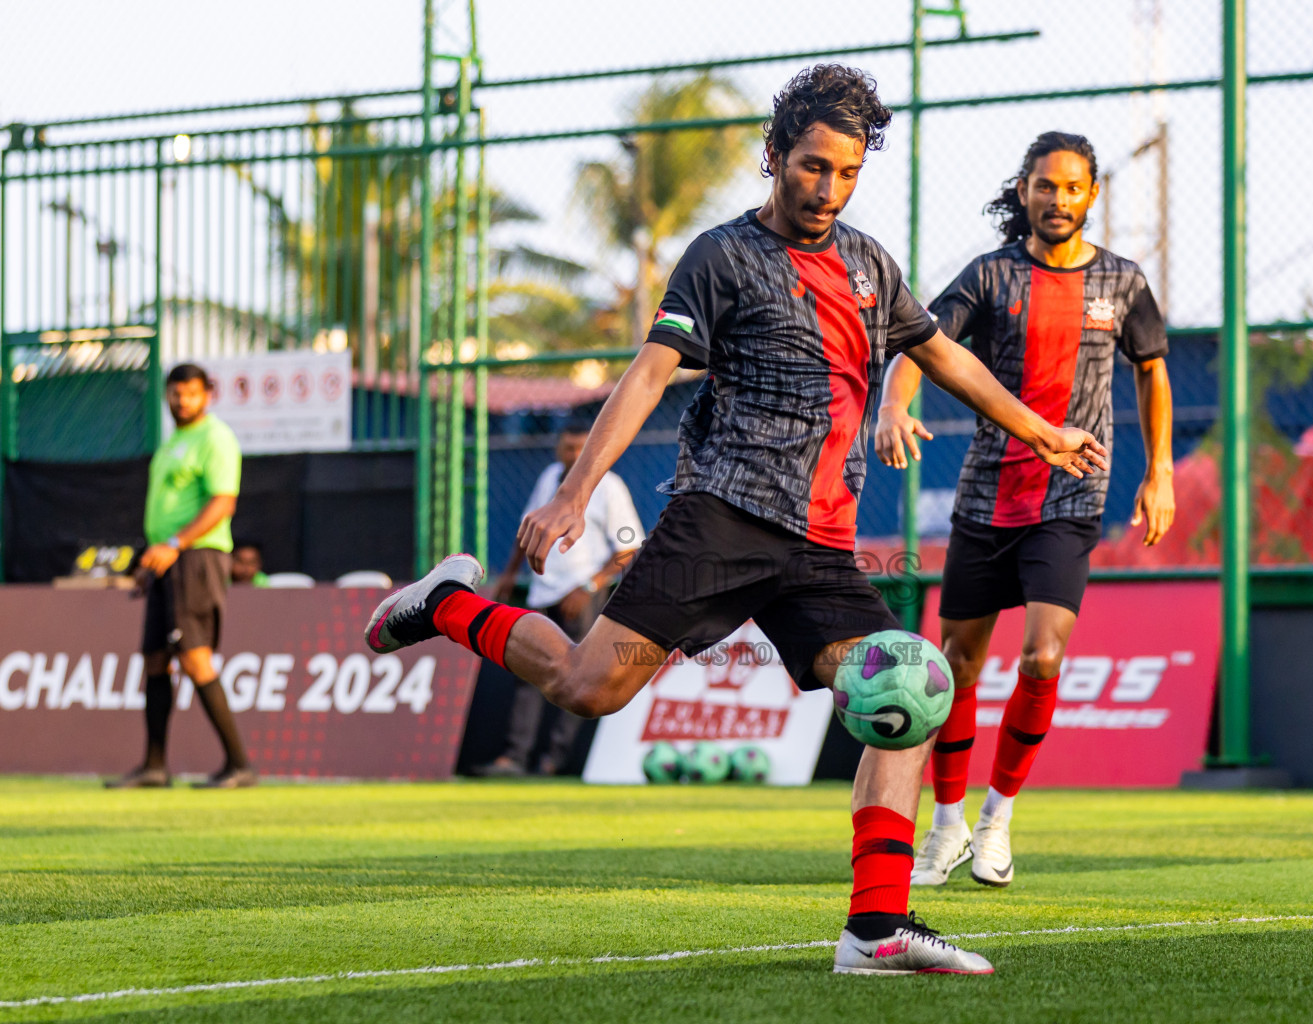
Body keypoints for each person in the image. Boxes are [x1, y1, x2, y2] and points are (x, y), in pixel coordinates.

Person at [366, 65, 1105, 975]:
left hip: (821, 548)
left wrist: (1040, 429)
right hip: (720, 519)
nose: (826, 189)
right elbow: (647, 374)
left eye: (845, 172)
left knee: (907, 694)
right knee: (586, 686)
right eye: (810, 168)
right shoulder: (720, 257)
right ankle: (446, 606)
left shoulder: (872, 264)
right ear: (774, 157)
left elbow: (943, 354)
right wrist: (576, 490)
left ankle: (875, 930)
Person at [876, 132, 1175, 888]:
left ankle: (997, 819)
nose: (1058, 199)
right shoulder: (990, 275)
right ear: (1023, 190)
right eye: (1045, 186)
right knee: (959, 667)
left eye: (1073, 187)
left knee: (1044, 657)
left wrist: (1160, 470)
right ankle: (945, 826)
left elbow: (1153, 373)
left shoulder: (1124, 282)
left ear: (1092, 195)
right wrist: (892, 406)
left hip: (1073, 495)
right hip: (987, 494)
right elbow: (921, 344)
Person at [108, 363, 255, 789]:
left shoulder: (215, 438)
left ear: (207, 394)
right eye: (175, 393)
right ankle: (155, 767)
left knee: (195, 657)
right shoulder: (173, 442)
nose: (181, 400)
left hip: (196, 557)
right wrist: (151, 561)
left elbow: (222, 503)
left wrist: (173, 544)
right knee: (155, 660)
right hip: (165, 562)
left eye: (190, 393)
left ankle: (239, 764)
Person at [476, 423, 643, 777]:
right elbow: (529, 528)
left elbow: (629, 548)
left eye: (581, 448)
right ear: (558, 450)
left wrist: (588, 587)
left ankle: (554, 760)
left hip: (581, 596)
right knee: (529, 674)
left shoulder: (609, 486)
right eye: (568, 448)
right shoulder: (549, 478)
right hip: (541, 590)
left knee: (581, 677)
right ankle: (515, 758)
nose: (574, 456)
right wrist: (509, 573)